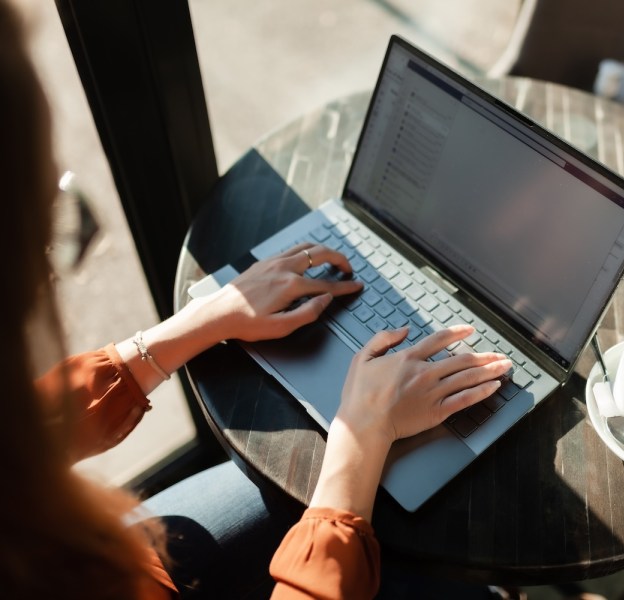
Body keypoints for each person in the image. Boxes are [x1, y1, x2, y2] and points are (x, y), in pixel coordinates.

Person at [0, 1, 511, 598]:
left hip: (120, 551)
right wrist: (360, 436)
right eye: (51, 230)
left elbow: (15, 438)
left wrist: (195, 323)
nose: (56, 265)